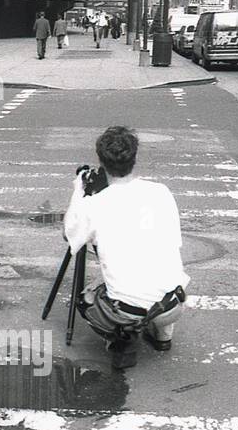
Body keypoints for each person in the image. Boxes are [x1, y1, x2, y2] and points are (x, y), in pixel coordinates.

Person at [64, 126, 190, 371]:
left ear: (101, 162)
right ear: (134, 159)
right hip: (173, 302)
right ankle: (163, 337)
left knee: (87, 297)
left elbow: (69, 237)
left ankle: (120, 340)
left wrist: (79, 191)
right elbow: (172, 242)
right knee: (153, 270)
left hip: (127, 314)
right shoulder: (160, 192)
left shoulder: (95, 205)